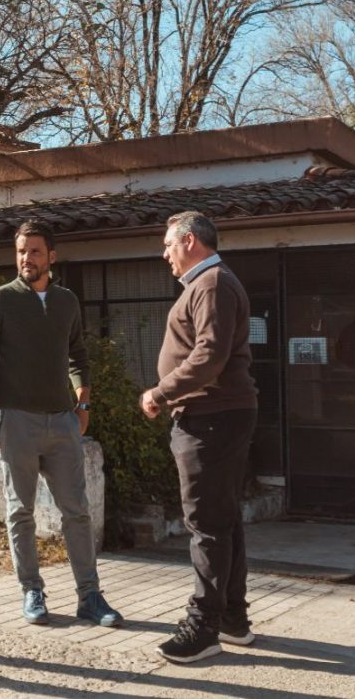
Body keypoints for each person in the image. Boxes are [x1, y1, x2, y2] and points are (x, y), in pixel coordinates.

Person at [0, 220, 123, 629]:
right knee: (21, 512)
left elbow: (78, 354)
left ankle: (90, 596)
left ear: (51, 257)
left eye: (35, 251)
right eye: (21, 251)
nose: (26, 258)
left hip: (63, 422)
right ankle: (31, 591)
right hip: (17, 420)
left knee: (77, 512)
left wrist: (83, 400)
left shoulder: (67, 302)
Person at [139, 210, 258, 664]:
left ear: (189, 241)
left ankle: (204, 626)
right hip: (217, 415)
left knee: (207, 524)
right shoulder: (210, 284)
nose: (165, 254)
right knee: (222, 520)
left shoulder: (211, 284)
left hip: (211, 417)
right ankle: (231, 619)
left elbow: (210, 356)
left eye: (169, 245)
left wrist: (160, 391)